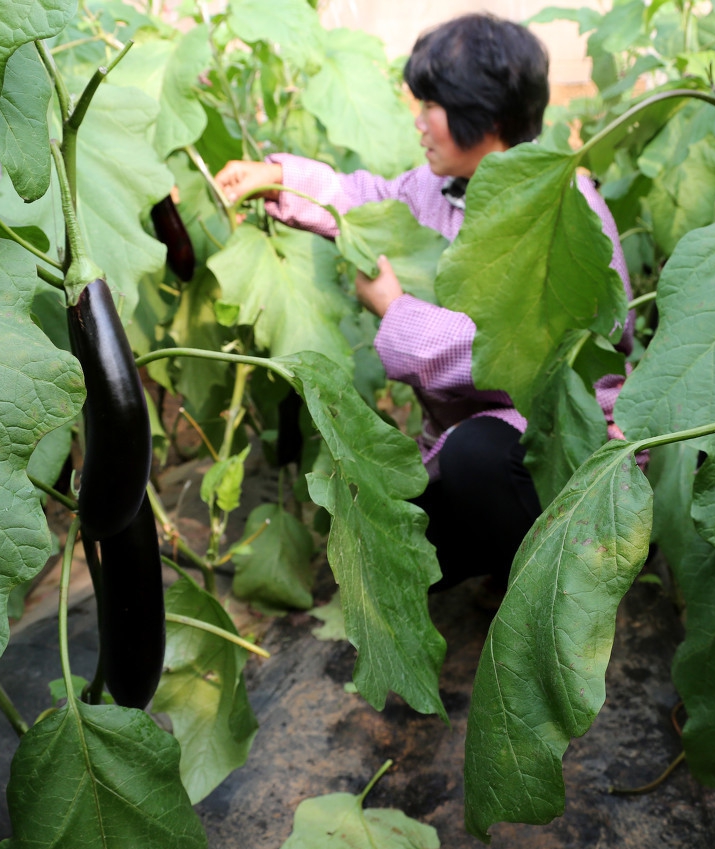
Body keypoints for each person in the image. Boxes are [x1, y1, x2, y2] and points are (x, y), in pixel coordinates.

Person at [217, 13, 633, 592]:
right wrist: (278, 178)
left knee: (477, 459)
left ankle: (557, 580)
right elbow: (366, 200)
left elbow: (528, 355)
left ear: (484, 115)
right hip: (471, 440)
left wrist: (395, 310)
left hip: (563, 444)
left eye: (430, 106)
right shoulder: (437, 188)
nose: (418, 124)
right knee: (399, 542)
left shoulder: (568, 210)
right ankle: (498, 553)